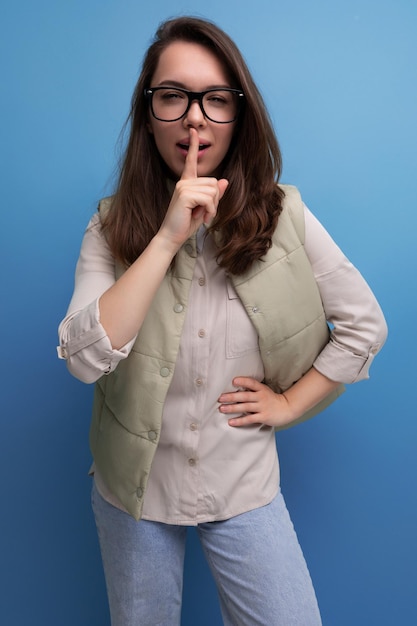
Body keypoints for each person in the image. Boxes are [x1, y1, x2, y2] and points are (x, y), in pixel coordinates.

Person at [57, 15, 387, 626]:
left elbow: (366, 326)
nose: (195, 117)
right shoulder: (110, 226)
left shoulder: (285, 215)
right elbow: (82, 358)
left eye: (215, 98)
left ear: (239, 113)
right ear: (148, 110)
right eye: (173, 95)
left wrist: (290, 406)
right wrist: (164, 240)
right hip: (134, 488)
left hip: (242, 482)